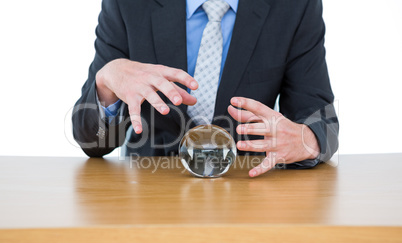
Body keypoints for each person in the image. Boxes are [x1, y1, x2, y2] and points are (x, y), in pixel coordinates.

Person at [72, 0, 339, 177]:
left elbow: (322, 121)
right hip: (148, 191)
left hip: (248, 195)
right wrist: (106, 84)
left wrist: (308, 140)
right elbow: (91, 141)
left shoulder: (294, 6)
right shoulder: (129, 4)